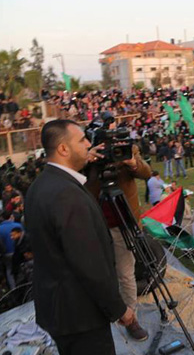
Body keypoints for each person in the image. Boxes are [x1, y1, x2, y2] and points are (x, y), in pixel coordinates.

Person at [25, 120, 135, 355]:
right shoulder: (66, 195)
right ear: (64, 149)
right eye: (82, 140)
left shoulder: (42, 184)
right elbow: (89, 264)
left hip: (62, 312)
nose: (88, 144)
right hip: (81, 317)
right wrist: (118, 309)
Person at [84, 143, 152, 342]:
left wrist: (131, 163)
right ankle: (99, 311)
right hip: (94, 223)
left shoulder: (128, 149)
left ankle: (131, 319)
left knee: (125, 273)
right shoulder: (88, 153)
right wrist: (86, 161)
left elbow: (146, 173)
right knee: (98, 272)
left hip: (123, 223)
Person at [0, 211, 22, 289]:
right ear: (11, 216)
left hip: (7, 253)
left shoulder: (0, 228)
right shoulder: (18, 225)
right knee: (20, 268)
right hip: (18, 251)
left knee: (9, 270)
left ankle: (13, 288)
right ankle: (22, 286)